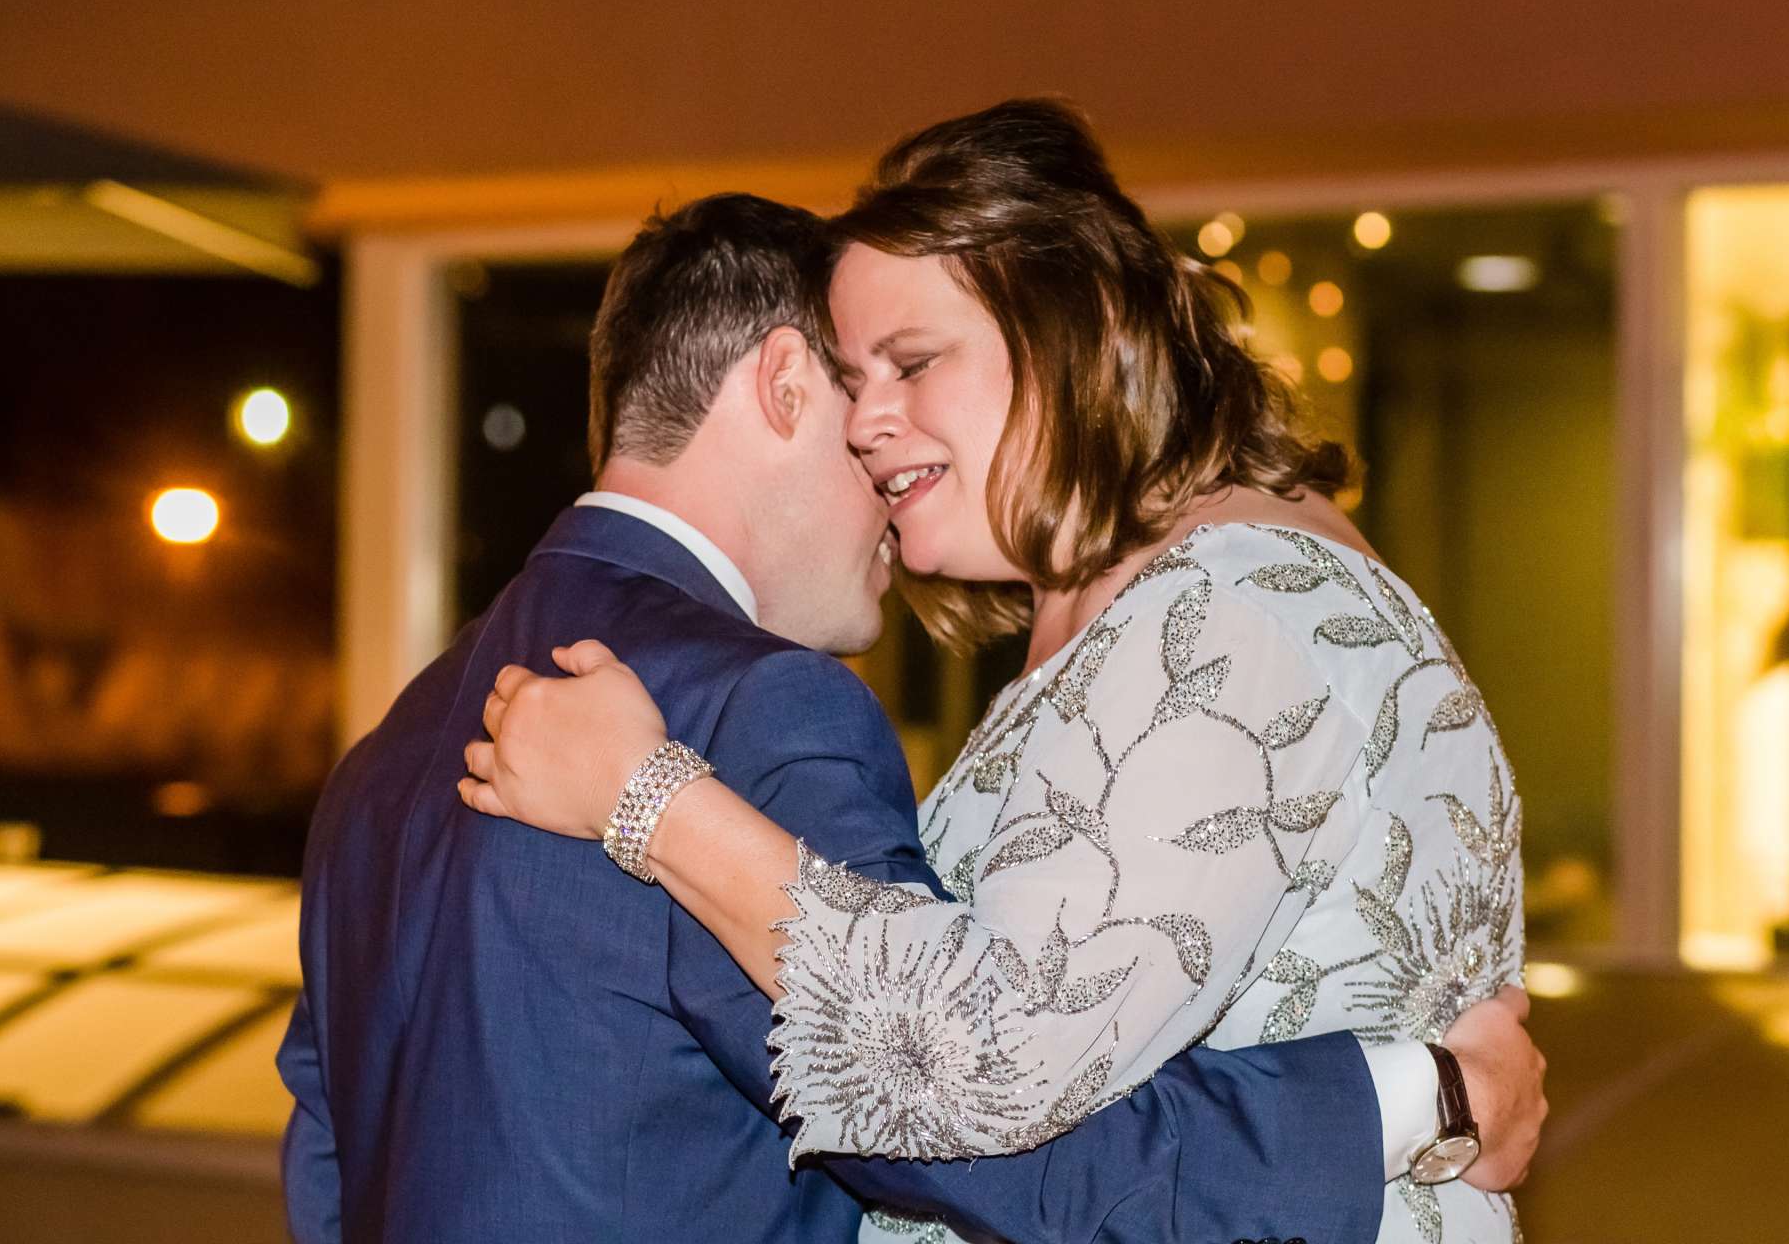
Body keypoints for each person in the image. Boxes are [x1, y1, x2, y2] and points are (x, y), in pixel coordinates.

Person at [284, 186, 1547, 1243]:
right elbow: (979, 1144)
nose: (891, 478)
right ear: (785, 385)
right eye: (856, 388)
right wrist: (1409, 1095)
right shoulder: (758, 713)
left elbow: (331, 1162)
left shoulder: (389, 750)